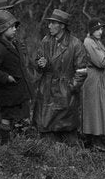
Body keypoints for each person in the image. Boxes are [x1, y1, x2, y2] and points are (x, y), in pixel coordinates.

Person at [31, 8, 88, 143]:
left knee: (67, 131)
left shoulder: (76, 44)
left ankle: (71, 157)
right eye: (49, 23)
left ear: (62, 25)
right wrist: (40, 64)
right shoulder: (46, 41)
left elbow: (82, 71)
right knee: (46, 128)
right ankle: (48, 155)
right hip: (47, 90)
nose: (49, 26)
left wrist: (71, 87)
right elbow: (37, 63)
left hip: (65, 92)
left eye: (53, 23)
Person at [0, 9, 31, 143]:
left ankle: (11, 140)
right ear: (1, 30)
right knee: (6, 116)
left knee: (14, 116)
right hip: (7, 91)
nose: (15, 29)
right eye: (11, 27)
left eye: (15, 26)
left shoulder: (14, 44)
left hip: (15, 90)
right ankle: (4, 143)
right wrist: (6, 77)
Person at [81, 18, 105, 148]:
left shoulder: (96, 41)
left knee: (101, 106)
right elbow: (102, 62)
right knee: (94, 108)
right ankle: (93, 138)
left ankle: (98, 137)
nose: (101, 31)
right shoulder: (89, 42)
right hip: (94, 77)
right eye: (98, 29)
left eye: (101, 29)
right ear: (91, 30)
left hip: (100, 77)